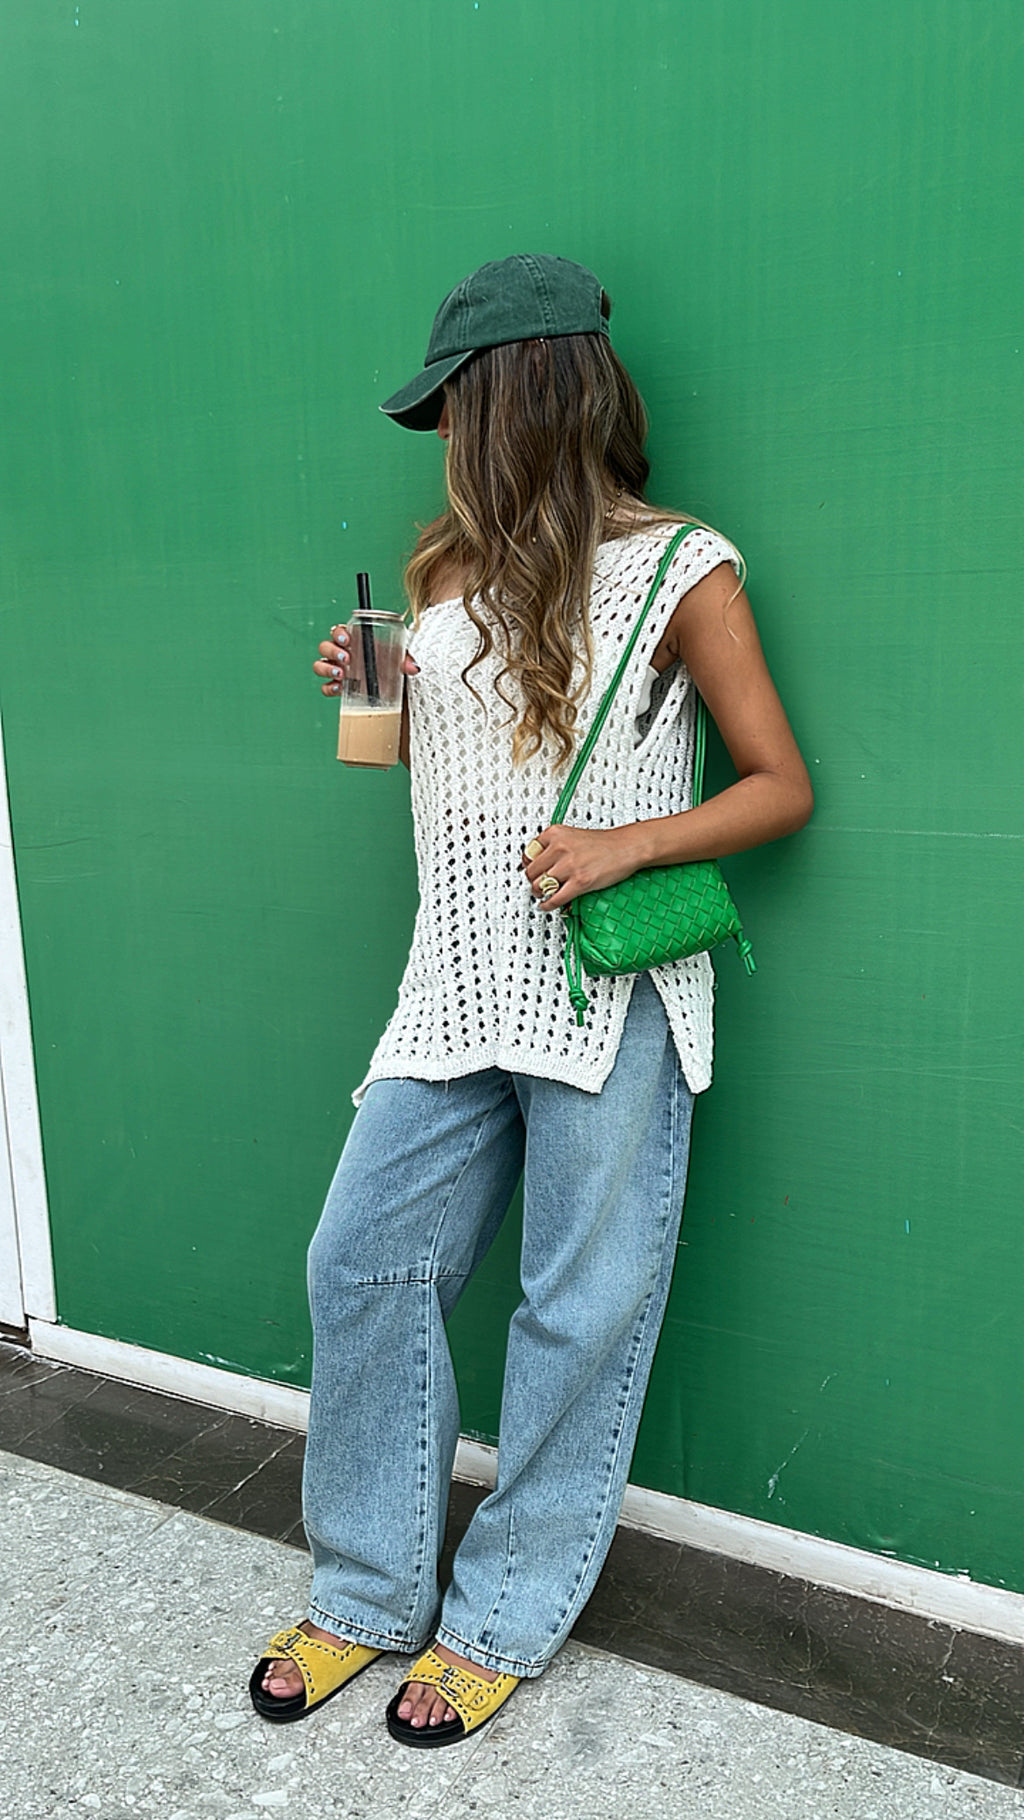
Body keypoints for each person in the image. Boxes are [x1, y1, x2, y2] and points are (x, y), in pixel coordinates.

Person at [249, 254, 813, 1747]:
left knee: (578, 1311)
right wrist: (372, 689)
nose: (441, 436)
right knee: (361, 1264)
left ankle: (501, 1615)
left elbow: (780, 785)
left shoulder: (685, 569)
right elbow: (454, 764)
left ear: (520, 399)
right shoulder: (444, 573)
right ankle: (369, 1587)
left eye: (452, 405)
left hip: (607, 991)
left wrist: (632, 841)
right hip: (452, 983)